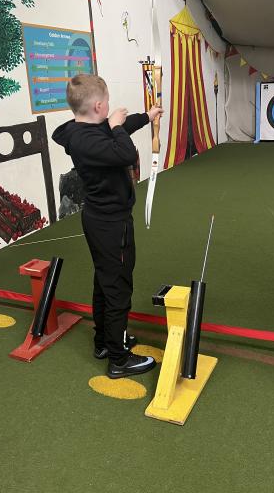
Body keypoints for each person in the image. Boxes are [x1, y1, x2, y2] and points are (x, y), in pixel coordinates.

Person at [52, 74, 163, 379]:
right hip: (111, 224)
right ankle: (119, 359)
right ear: (99, 106)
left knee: (105, 282)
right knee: (118, 288)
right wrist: (115, 126)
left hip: (101, 220)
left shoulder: (83, 130)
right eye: (108, 104)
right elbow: (125, 151)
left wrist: (147, 116)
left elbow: (118, 129)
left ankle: (104, 341)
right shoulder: (88, 140)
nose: (110, 109)